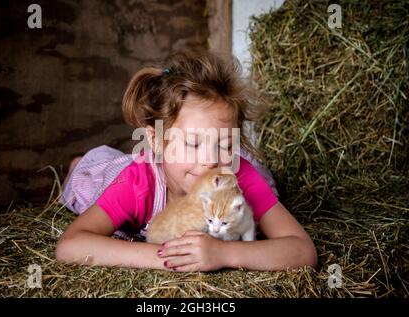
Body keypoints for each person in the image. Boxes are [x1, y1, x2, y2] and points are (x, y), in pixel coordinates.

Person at [55, 51, 317, 272]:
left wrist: (224, 254)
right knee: (90, 176)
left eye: (225, 145)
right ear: (156, 140)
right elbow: (70, 245)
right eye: (192, 144)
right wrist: (167, 255)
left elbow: (302, 249)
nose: (210, 160)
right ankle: (80, 166)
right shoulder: (135, 184)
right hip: (115, 173)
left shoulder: (235, 176)